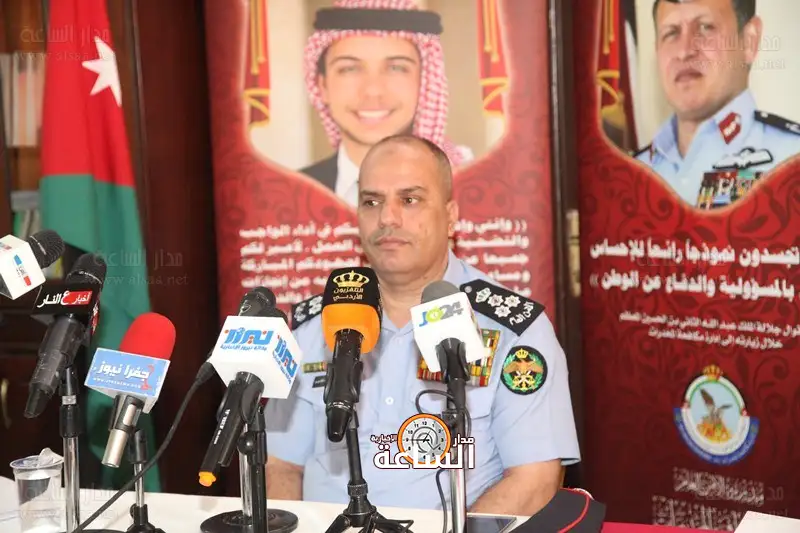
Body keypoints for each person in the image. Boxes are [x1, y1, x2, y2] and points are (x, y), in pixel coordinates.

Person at [265, 134, 580, 516]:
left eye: (409, 199)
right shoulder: (316, 325)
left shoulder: (514, 331)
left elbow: (535, 480)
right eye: (371, 201)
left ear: (451, 217)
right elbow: (280, 466)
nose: (387, 218)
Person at [300, 0, 472, 208]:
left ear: (424, 82)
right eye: (349, 69)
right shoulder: (290, 195)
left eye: (396, 68)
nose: (373, 91)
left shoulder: (470, 194)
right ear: (322, 86)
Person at [635, 0, 800, 208]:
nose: (684, 51)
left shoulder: (793, 161)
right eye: (671, 33)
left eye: (705, 27)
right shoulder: (628, 174)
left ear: (749, 41)